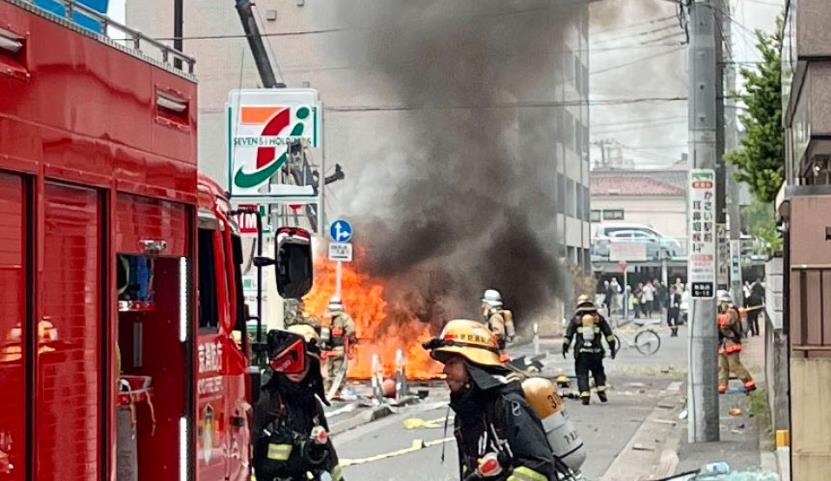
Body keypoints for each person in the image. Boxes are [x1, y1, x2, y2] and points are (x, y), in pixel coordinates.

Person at [422, 319, 572, 481]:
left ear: (473, 364)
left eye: (452, 363)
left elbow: (539, 467)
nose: (445, 370)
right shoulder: (466, 411)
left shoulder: (508, 404)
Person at [253, 324, 344, 481]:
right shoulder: (266, 401)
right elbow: (246, 454)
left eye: (305, 363)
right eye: (294, 361)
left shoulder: (311, 404)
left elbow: (328, 451)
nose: (299, 370)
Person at [563, 296, 617, 405]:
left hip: (582, 352)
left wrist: (564, 348)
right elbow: (609, 335)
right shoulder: (598, 318)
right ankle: (601, 392)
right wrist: (612, 349)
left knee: (582, 374)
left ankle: (585, 397)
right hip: (597, 352)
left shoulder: (576, 319)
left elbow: (568, 335)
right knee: (598, 372)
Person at [718, 304, 756, 394]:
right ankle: (722, 385)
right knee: (722, 366)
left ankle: (749, 382)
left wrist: (718, 319)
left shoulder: (732, 312)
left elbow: (727, 322)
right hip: (722, 345)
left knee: (734, 365)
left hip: (731, 343)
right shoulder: (723, 313)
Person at [321, 295, 356, 394]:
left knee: (330, 371)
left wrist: (323, 350)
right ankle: (337, 391)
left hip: (328, 350)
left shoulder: (326, 317)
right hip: (340, 349)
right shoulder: (345, 318)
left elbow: (322, 335)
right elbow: (351, 332)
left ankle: (328, 391)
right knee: (339, 371)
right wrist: (350, 345)